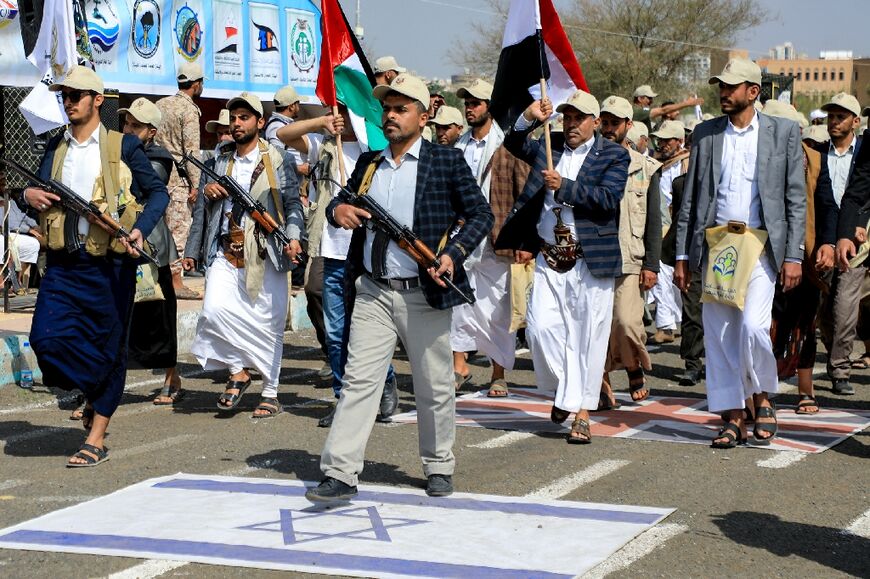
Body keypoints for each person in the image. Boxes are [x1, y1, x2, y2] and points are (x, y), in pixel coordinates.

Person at [306, 74, 493, 502]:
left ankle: (439, 464)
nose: (390, 115)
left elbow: (481, 215)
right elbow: (341, 202)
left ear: (423, 116)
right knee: (359, 383)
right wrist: (340, 212)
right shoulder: (369, 162)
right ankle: (339, 472)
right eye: (387, 108)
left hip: (424, 294)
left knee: (433, 385)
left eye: (400, 108)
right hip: (374, 290)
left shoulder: (445, 161)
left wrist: (452, 255)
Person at [23, 66, 169, 466]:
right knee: (45, 339)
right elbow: (34, 193)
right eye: (64, 95)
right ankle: (94, 392)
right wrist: (27, 193)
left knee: (109, 347)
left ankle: (97, 436)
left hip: (109, 266)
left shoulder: (123, 147)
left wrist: (139, 230)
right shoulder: (55, 146)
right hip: (64, 264)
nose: (68, 101)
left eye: (76, 95)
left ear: (97, 101)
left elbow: (157, 194)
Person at [674, 58, 806, 448]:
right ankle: (733, 415)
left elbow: (795, 199)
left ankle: (764, 398)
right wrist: (682, 256)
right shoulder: (706, 134)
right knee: (720, 335)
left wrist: (795, 255)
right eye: (721, 86)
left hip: (763, 248)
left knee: (752, 328)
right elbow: (692, 201)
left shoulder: (783, 133)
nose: (724, 92)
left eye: (732, 87)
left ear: (754, 91)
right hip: (717, 247)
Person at [497, 90, 630, 445]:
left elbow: (607, 200)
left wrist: (565, 187)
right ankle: (567, 394)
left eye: (578, 118)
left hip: (590, 260)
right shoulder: (549, 144)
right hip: (549, 257)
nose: (571, 124)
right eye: (566, 117)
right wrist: (528, 115)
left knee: (588, 337)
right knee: (540, 330)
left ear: (595, 123)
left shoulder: (614, 154)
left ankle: (582, 414)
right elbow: (513, 141)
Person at [277, 103, 400, 426]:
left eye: (347, 109)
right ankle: (343, 397)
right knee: (335, 332)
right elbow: (282, 134)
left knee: (368, 331)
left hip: (366, 255)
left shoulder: (373, 151)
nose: (341, 115)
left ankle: (384, 381)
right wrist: (320, 123)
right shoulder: (322, 145)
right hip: (331, 251)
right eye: (336, 109)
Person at [183, 92, 304, 418]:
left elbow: (292, 204)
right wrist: (193, 249)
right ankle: (238, 371)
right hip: (225, 250)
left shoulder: (278, 159)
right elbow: (201, 212)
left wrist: (293, 237)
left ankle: (269, 391)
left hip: (267, 253)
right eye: (233, 118)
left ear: (260, 122)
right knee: (214, 311)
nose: (237, 124)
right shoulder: (219, 160)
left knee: (269, 323)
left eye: (244, 118)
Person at [763, 100, 837, 415]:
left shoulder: (816, 161)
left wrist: (828, 244)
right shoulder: (753, 158)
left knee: (804, 325)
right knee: (762, 326)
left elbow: (828, 206)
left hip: (804, 258)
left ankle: (806, 391)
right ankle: (760, 392)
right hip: (761, 255)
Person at [450, 78, 517, 397]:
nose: (470, 107)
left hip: (496, 238)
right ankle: (459, 366)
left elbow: (519, 193)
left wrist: (520, 240)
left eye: (476, 102)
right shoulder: (459, 145)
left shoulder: (506, 145)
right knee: (458, 304)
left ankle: (498, 372)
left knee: (497, 308)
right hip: (462, 238)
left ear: (490, 106)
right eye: (467, 102)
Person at [597, 96, 662, 408]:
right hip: (593, 258)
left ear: (628, 126)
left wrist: (651, 264)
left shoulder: (645, 168)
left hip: (629, 257)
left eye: (614, 123)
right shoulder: (588, 161)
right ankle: (602, 385)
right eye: (604, 122)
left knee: (625, 321)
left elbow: (653, 219)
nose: (609, 129)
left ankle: (634, 365)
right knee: (596, 327)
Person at [119, 97, 184, 405]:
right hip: (117, 240)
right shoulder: (117, 151)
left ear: (152, 131)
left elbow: (141, 188)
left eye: (136, 125)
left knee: (159, 313)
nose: (128, 130)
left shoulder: (157, 157)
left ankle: (172, 376)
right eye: (126, 124)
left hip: (150, 245)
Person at [815, 93, 864, 396]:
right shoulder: (818, 153)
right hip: (823, 241)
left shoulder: (866, 155)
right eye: (831, 116)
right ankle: (834, 354)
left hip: (858, 242)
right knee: (823, 309)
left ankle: (841, 368)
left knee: (845, 306)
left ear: (855, 122)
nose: (834, 122)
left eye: (841, 117)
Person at [155, 61, 204, 300]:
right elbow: (191, 151)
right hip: (179, 178)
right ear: (196, 85)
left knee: (158, 231)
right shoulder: (189, 110)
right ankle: (175, 282)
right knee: (178, 231)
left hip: (157, 175)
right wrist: (196, 184)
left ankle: (159, 278)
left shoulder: (160, 104)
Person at [648, 120, 690, 344]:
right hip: (661, 225)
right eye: (660, 140)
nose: (662, 144)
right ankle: (666, 324)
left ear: (679, 141)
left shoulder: (687, 163)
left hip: (678, 225)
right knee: (663, 274)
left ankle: (672, 322)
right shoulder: (658, 164)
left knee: (674, 276)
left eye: (667, 140)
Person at [632, 85, 703, 131]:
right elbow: (663, 110)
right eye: (649, 98)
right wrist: (687, 103)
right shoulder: (637, 112)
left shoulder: (642, 112)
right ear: (640, 99)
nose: (651, 101)